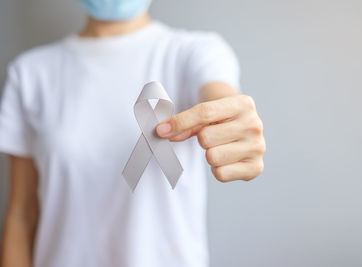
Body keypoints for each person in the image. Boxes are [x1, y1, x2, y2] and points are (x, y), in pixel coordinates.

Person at [0, 0, 265, 266]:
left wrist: (231, 118)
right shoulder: (29, 73)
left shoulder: (194, 51)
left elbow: (218, 95)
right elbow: (22, 214)